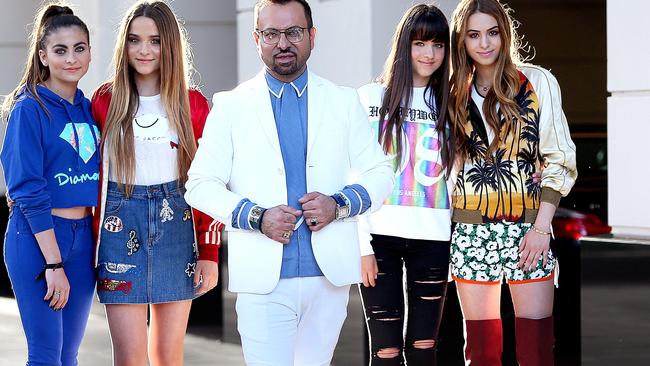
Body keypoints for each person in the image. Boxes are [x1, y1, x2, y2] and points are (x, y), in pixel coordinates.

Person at [184, 0, 394, 364]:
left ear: (312, 36)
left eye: (293, 32)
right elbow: (199, 184)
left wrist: (340, 204)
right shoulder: (231, 105)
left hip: (328, 278)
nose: (283, 43)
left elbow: (381, 173)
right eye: (271, 33)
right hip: (263, 280)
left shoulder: (343, 102)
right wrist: (255, 216)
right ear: (256, 39)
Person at [90, 1, 222, 364]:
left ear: (170, 45)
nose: (144, 50)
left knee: (167, 356)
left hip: (178, 229)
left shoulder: (192, 104)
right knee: (129, 359)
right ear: (124, 45)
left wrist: (210, 253)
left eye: (154, 40)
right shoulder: (104, 101)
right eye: (134, 40)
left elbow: (210, 181)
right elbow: (86, 172)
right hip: (119, 230)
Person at [447, 0, 577, 364]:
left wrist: (540, 228)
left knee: (536, 349)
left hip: (528, 230)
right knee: (482, 351)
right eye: (474, 35)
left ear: (505, 35)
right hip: (470, 229)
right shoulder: (452, 92)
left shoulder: (537, 82)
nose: (484, 44)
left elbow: (560, 158)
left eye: (493, 33)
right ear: (463, 39)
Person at [356, 4, 455, 365]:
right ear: (404, 46)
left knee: (424, 348)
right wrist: (361, 245)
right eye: (420, 43)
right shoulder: (369, 99)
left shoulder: (451, 104)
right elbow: (353, 176)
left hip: (434, 239)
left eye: (438, 45)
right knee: (385, 351)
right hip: (378, 238)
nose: (429, 54)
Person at [0, 4, 99, 365]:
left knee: (68, 356)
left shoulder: (90, 109)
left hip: (82, 237)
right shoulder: (29, 109)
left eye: (80, 48)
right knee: (45, 356)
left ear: (89, 51)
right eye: (60, 50)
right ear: (43, 56)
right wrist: (53, 264)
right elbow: (26, 187)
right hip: (38, 238)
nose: (71, 58)